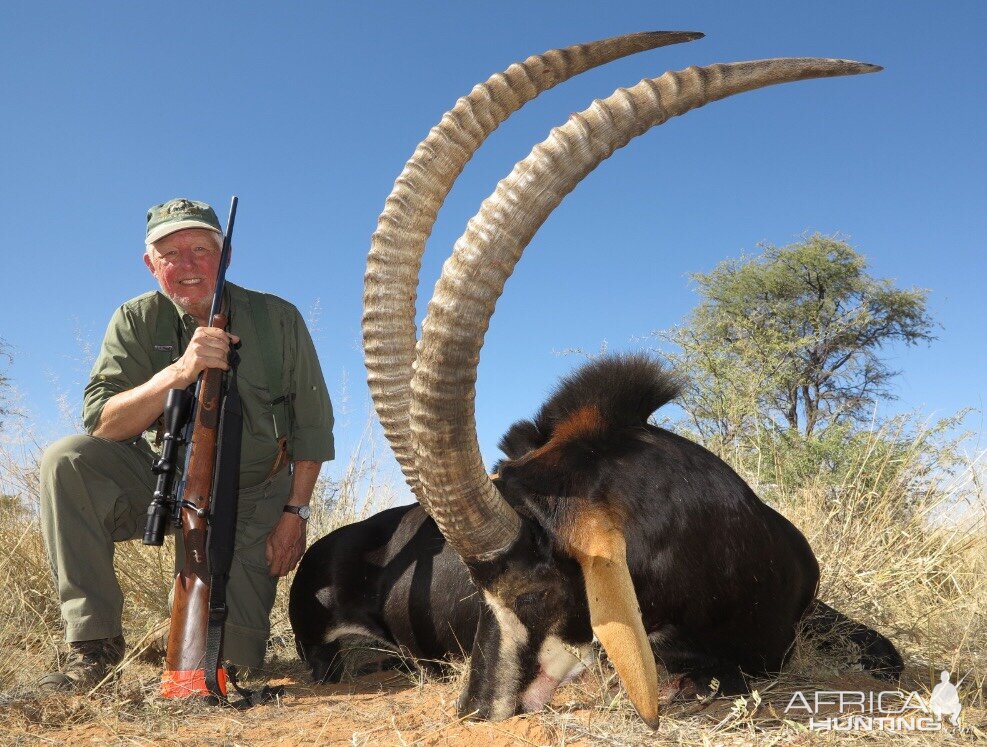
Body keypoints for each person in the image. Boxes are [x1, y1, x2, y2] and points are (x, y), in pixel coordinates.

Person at [39, 198, 334, 690]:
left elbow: (313, 428)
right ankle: (93, 647)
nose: (188, 265)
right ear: (150, 264)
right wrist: (179, 372)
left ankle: (215, 647)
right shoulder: (135, 319)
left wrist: (294, 514)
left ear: (226, 256)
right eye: (170, 253)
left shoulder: (279, 318)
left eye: (201, 249)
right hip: (163, 482)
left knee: (227, 665)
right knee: (67, 460)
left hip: (254, 494)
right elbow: (105, 425)